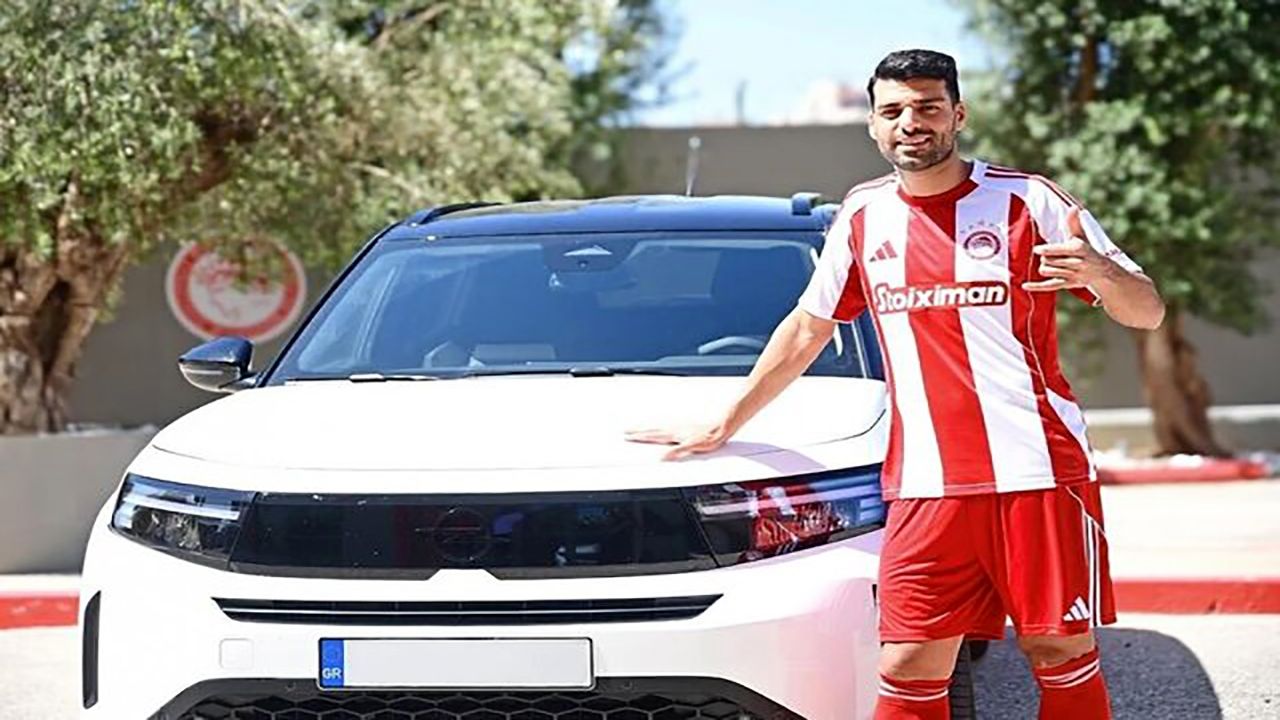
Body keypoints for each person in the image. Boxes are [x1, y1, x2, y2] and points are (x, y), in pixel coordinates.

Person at [626, 49, 1165, 720]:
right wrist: (725, 421)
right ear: (874, 125)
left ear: (958, 115)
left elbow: (1147, 310)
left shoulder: (1030, 201)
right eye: (894, 110)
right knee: (907, 664)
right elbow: (808, 328)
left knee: (1059, 652)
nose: (911, 122)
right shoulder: (863, 214)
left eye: (928, 107)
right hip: (924, 483)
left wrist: (1104, 274)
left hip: (1038, 471)